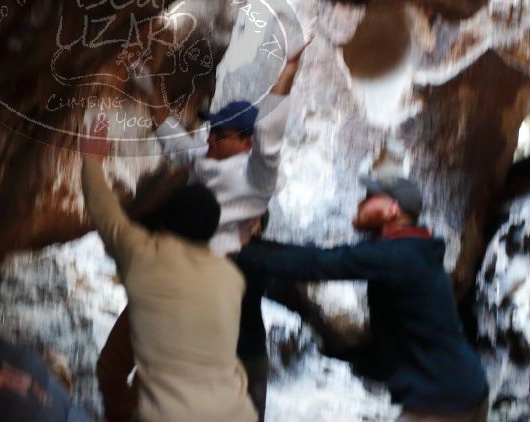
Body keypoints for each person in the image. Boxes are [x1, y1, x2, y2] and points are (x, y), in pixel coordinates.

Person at [97, 36, 311, 421]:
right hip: (182, 279)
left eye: (221, 135)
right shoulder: (204, 158)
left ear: (246, 143)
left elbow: (271, 134)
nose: (209, 138)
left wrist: (288, 71)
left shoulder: (255, 178)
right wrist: (151, 89)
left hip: (222, 289)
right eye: (211, 131)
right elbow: (173, 138)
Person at [234, 175, 490, 422]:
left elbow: (316, 264)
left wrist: (236, 249)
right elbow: (316, 256)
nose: (359, 203)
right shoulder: (415, 250)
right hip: (467, 388)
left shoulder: (397, 255)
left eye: (369, 197)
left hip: (443, 402)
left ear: (392, 209)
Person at [79, 118, 258, 422]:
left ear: (163, 223)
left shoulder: (145, 255)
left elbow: (105, 212)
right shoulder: (231, 279)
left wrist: (91, 159)